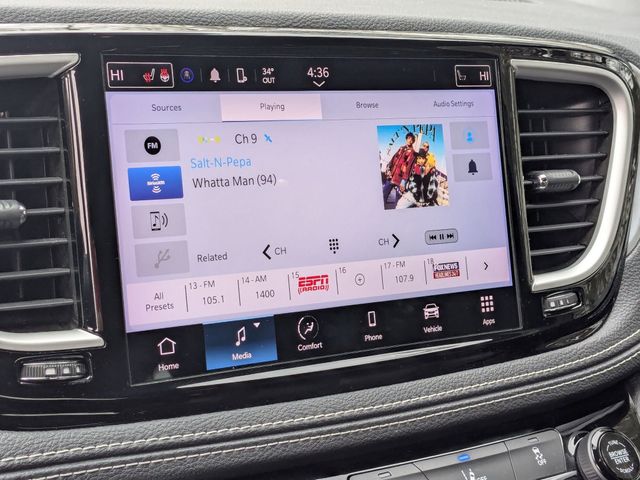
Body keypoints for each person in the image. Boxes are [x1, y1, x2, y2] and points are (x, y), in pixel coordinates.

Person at [382, 133, 416, 206]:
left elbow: (409, 168)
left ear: (413, 141)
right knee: (384, 194)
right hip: (391, 176)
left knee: (398, 202)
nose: (409, 140)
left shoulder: (413, 153)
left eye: (411, 139)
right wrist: (388, 168)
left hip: (400, 180)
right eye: (408, 138)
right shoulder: (401, 148)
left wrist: (403, 181)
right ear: (406, 139)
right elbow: (393, 158)